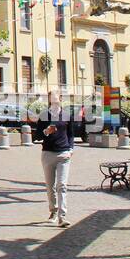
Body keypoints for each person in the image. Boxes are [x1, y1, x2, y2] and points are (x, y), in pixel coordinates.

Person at [38, 90, 73, 227]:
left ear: (61, 98)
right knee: (50, 186)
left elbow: (71, 134)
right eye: (51, 96)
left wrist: (71, 149)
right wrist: (46, 131)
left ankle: (62, 216)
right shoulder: (43, 115)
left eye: (56, 96)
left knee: (62, 185)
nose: (54, 98)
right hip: (47, 153)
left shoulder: (66, 115)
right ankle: (53, 210)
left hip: (63, 154)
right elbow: (37, 136)